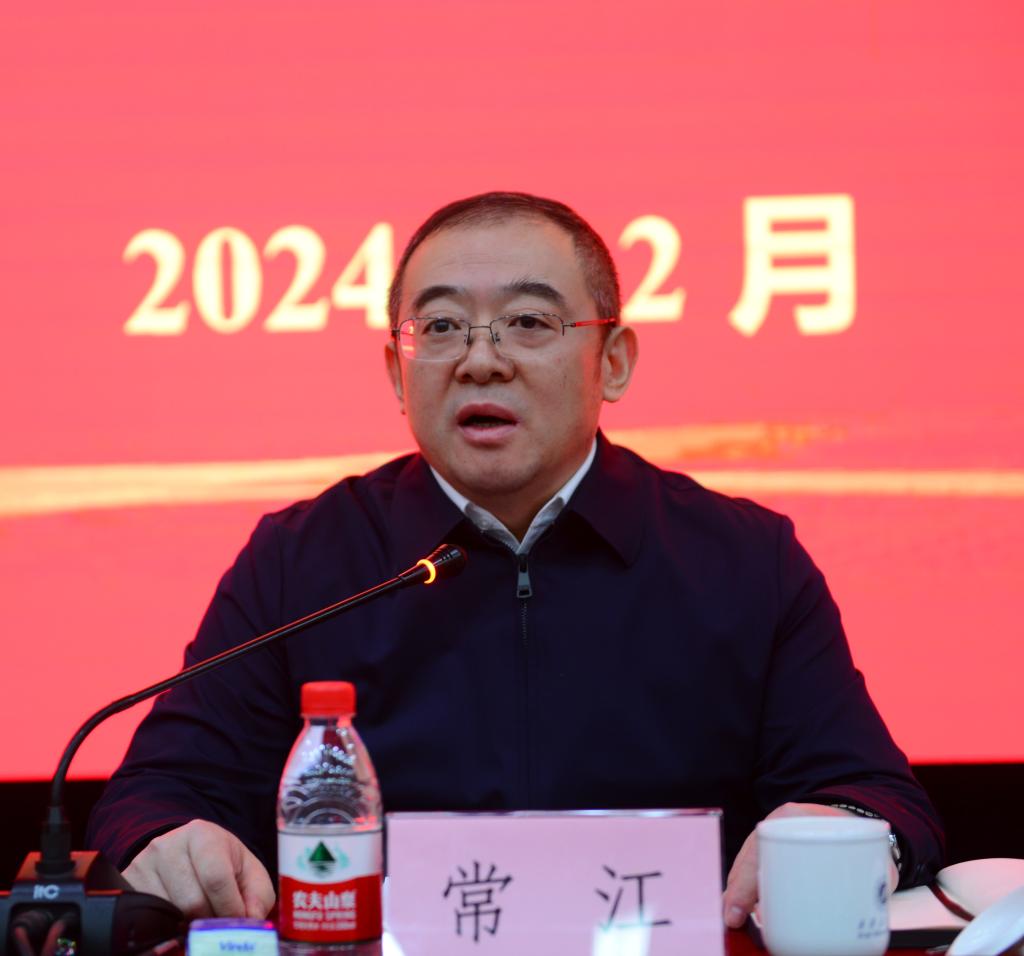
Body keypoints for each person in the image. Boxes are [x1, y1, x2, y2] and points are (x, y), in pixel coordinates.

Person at [87, 192, 944, 928]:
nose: (480, 360)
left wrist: (840, 824)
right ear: (397, 372)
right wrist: (168, 840)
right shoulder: (304, 559)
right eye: (440, 327)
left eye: (529, 323)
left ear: (613, 361)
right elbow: (157, 794)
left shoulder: (744, 559)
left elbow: (875, 794)